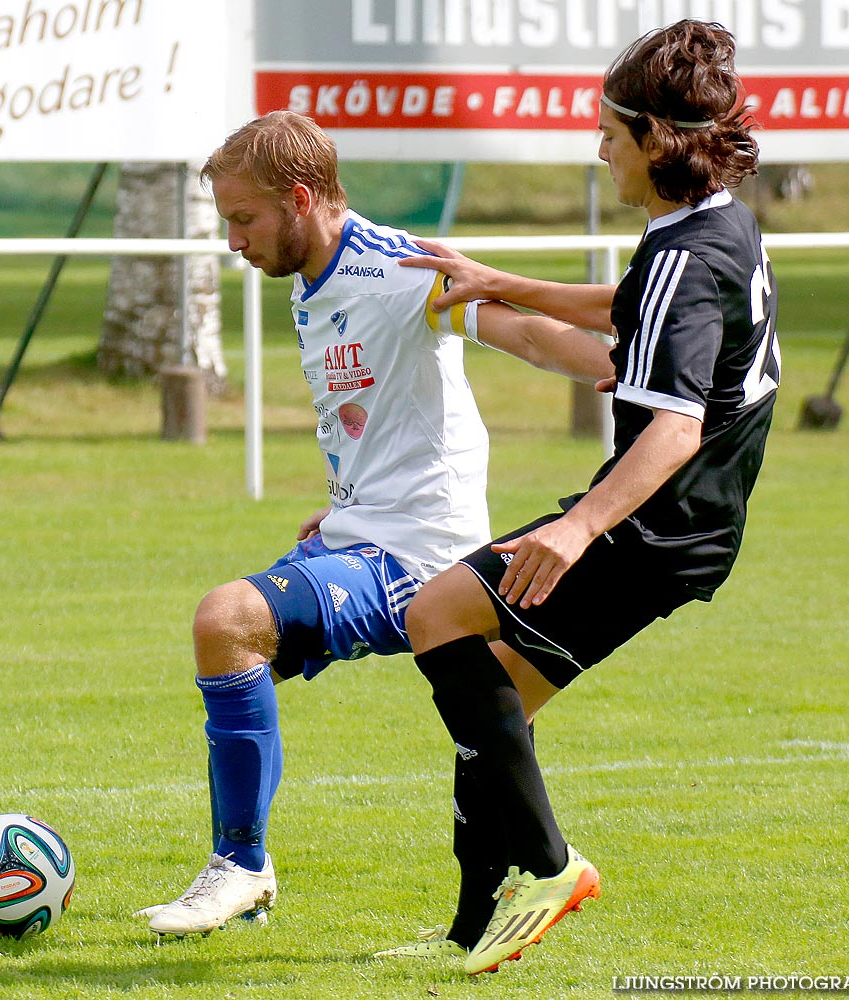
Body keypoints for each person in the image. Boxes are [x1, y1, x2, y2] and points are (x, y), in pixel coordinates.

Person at [135, 110, 615, 939]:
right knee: (247, 655)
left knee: (227, 619)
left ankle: (242, 868)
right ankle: (468, 920)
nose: (233, 241)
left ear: (298, 198)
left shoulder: (395, 268)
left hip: (416, 558)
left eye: (243, 219)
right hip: (363, 534)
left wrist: (651, 374)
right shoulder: (311, 280)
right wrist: (349, 499)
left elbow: (525, 332)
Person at [379, 19, 781, 975]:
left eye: (609, 129)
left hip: (649, 523)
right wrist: (498, 282)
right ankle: (474, 932)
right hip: (688, 529)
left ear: (655, 137)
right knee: (496, 719)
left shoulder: (685, 258)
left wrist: (576, 526)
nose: (598, 146)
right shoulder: (708, 226)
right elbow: (629, 304)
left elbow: (677, 427)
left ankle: (553, 870)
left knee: (437, 614)